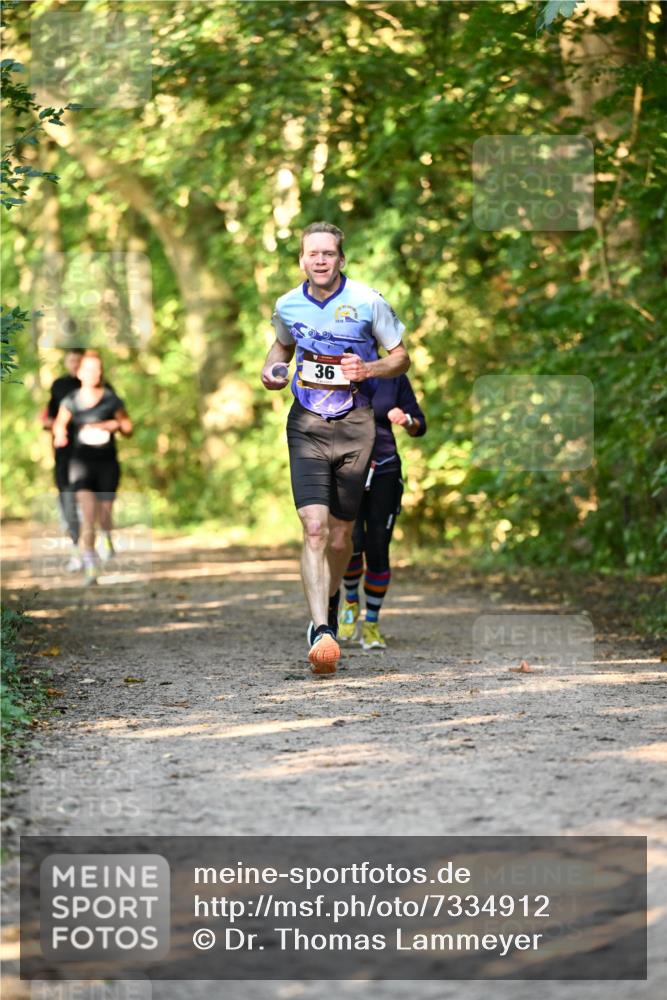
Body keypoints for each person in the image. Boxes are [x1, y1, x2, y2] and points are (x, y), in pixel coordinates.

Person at [261, 221, 410, 675]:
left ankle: (330, 594)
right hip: (306, 424)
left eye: (329, 253)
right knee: (314, 528)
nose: (320, 260)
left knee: (343, 537)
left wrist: (369, 369)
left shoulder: (368, 302)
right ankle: (321, 629)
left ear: (341, 260)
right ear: (302, 260)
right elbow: (279, 351)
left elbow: (402, 356)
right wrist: (270, 371)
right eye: (312, 254)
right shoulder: (287, 304)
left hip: (356, 426)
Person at [338, 375, 426, 650]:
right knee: (350, 543)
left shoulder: (393, 376)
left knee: (377, 547)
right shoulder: (338, 369)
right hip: (347, 468)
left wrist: (407, 421)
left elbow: (419, 425)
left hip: (384, 469)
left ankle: (372, 624)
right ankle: (350, 600)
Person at [52, 351, 133, 585]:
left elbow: (128, 428)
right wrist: (60, 436)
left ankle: (106, 536)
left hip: (107, 464)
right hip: (81, 464)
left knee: (104, 514)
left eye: (96, 370)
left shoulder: (110, 399)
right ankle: (90, 565)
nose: (92, 374)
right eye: (87, 370)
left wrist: (113, 424)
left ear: (101, 372)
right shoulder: (71, 400)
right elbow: (60, 423)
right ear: (79, 373)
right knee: (88, 515)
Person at [41, 348, 84, 570]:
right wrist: (56, 425)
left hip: (93, 456)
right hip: (65, 455)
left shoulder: (100, 386)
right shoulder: (59, 385)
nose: (75, 364)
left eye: (79, 360)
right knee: (67, 501)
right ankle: (76, 551)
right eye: (72, 360)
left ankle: (94, 548)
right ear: (67, 362)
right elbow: (48, 417)